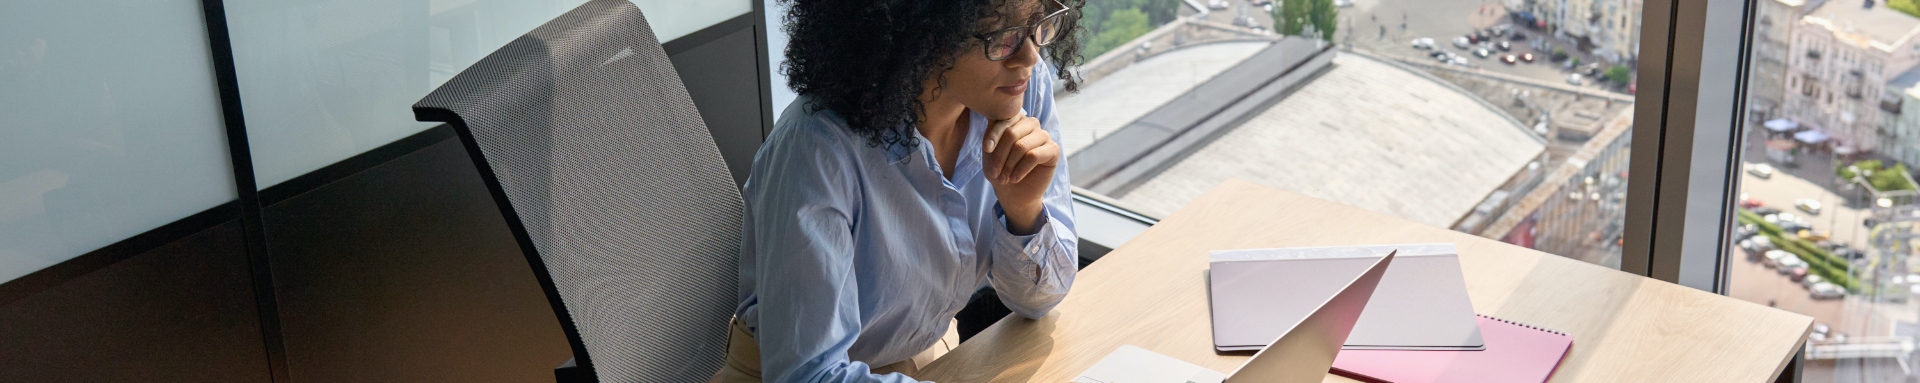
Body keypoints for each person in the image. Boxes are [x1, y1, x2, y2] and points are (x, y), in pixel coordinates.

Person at [711, 0, 1087, 382]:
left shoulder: (1018, 85)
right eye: (1002, 35)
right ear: (921, 31)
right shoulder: (815, 150)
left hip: (929, 360)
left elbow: (1039, 300)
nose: (1028, 55)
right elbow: (809, 376)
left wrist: (1023, 208)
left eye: (1039, 22)